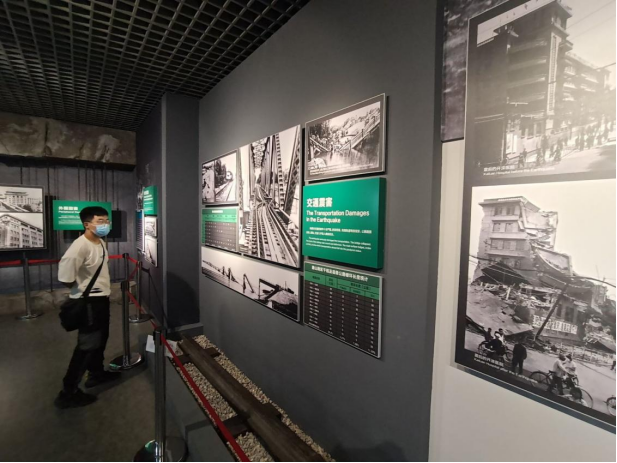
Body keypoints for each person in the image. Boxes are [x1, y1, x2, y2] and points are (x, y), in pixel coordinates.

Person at [55, 207, 120, 409]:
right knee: (86, 346)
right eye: (100, 221)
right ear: (87, 224)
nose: (105, 224)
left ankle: (96, 374)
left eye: (106, 220)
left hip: (101, 300)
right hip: (89, 302)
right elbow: (65, 277)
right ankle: (68, 392)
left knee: (100, 340)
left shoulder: (100, 242)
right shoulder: (79, 247)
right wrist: (83, 291)